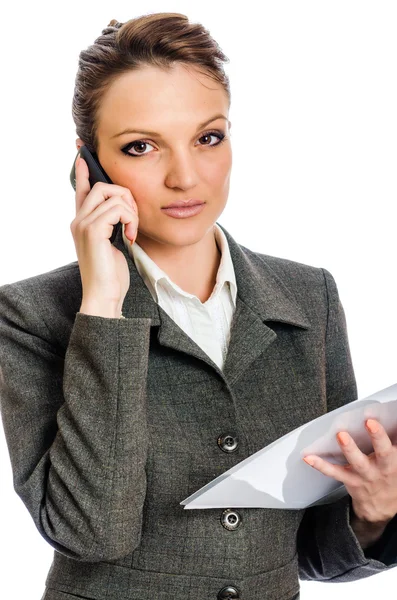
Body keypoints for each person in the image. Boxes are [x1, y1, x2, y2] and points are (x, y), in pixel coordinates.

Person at [0, 13, 397, 600]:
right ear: (89, 165)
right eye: (142, 147)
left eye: (208, 137)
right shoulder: (30, 315)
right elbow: (90, 532)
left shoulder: (311, 298)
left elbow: (310, 548)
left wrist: (375, 510)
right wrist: (104, 305)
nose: (186, 177)